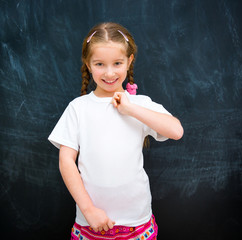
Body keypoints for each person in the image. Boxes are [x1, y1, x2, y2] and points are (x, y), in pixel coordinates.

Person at [48, 22, 183, 240]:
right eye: (100, 64)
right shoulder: (78, 108)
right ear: (88, 63)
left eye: (117, 63)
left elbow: (176, 130)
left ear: (129, 62)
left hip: (137, 223)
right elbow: (66, 161)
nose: (109, 73)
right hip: (90, 223)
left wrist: (130, 108)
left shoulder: (139, 104)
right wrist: (89, 210)